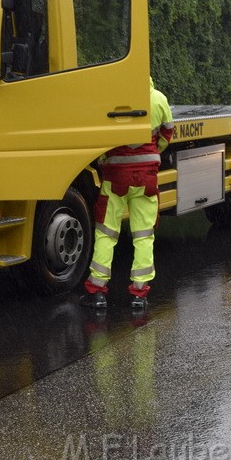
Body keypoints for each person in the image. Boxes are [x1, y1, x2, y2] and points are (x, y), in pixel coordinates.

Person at [82, 77, 174, 311]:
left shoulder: (112, 100)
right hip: (146, 177)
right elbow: (166, 134)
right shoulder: (159, 99)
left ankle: (98, 292)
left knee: (106, 233)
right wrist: (153, 151)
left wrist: (105, 158)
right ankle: (139, 295)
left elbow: (98, 135)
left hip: (115, 176)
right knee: (143, 235)